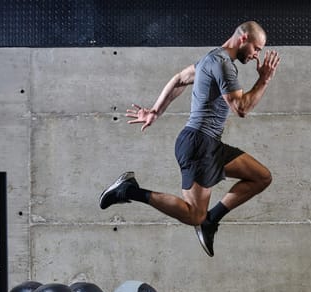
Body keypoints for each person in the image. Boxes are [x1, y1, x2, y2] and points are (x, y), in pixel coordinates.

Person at [99, 21, 280, 257]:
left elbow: (179, 79)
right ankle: (128, 191)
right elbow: (241, 108)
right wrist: (264, 80)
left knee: (261, 177)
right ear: (243, 38)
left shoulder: (211, 59)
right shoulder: (223, 64)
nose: (257, 55)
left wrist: (155, 111)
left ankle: (211, 221)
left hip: (209, 143)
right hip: (199, 144)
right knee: (195, 214)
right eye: (257, 48)